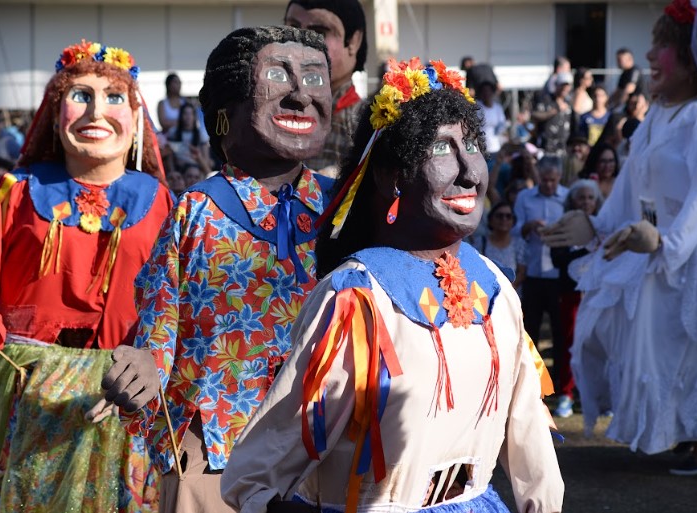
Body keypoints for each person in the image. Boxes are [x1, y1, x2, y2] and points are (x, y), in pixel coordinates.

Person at [221, 57, 563, 513]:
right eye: (441, 150)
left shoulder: (493, 286)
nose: (469, 171)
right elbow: (265, 459)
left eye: (473, 145)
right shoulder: (356, 299)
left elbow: (528, 435)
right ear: (390, 176)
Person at [100, 26, 334, 513]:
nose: (300, 94)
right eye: (277, 75)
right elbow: (159, 324)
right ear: (225, 114)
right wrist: (143, 364)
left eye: (315, 78)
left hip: (325, 447)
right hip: (217, 452)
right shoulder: (197, 211)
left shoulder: (344, 212)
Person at [0, 40, 174, 512]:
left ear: (135, 121)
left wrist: (147, 361)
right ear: (55, 115)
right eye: (81, 96)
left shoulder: (158, 201)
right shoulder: (19, 190)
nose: (97, 111)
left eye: (114, 98)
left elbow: (168, 299)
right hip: (29, 383)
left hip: (118, 389)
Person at [543, 0, 697, 476]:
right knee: (638, 340)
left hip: (692, 254)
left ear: (691, 58)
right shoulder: (657, 119)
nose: (650, 56)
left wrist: (666, 241)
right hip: (653, 248)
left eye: (662, 46)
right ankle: (677, 433)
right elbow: (627, 189)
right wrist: (596, 226)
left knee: (692, 348)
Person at [284, 0, 367, 177]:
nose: (302, 42)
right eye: (293, 29)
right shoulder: (275, 107)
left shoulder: (365, 122)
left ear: (353, 41)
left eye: (319, 33)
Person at [548, 179, 603, 418]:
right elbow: (559, 259)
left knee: (599, 343)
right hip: (570, 293)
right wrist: (587, 250)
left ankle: (598, 395)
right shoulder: (562, 226)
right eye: (581, 197)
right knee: (569, 342)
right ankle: (566, 394)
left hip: (598, 294)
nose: (586, 202)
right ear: (572, 200)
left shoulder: (603, 226)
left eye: (591, 197)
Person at [512, 155, 568, 386]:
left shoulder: (567, 197)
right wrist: (529, 226)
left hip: (558, 275)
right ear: (539, 178)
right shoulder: (526, 197)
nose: (549, 185)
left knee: (560, 332)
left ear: (559, 178)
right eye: (545, 180)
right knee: (530, 331)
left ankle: (560, 383)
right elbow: (514, 230)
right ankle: (530, 382)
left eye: (553, 181)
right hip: (532, 272)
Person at [475, 201, 527, 292]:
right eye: (499, 216)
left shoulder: (519, 244)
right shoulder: (481, 242)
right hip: (486, 293)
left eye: (508, 216)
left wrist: (506, 291)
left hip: (511, 294)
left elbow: (522, 272)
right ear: (491, 220)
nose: (504, 219)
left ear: (513, 221)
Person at [165, 101, 212, 173]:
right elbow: (169, 155)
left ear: (194, 116)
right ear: (180, 116)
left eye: (191, 114)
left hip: (196, 170)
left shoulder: (201, 135)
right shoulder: (173, 133)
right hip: (179, 170)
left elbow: (206, 160)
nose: (188, 117)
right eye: (185, 113)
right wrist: (173, 172)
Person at [532, 72, 573, 155]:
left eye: (567, 86)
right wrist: (554, 111)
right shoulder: (546, 100)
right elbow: (535, 115)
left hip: (563, 147)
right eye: (562, 85)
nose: (564, 88)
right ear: (556, 85)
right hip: (547, 145)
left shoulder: (569, 102)